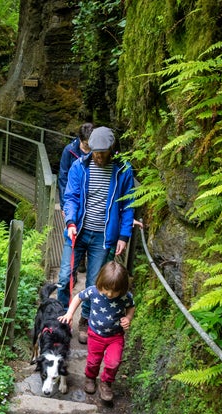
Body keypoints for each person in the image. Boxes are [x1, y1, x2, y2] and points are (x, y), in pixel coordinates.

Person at [55, 126, 135, 345]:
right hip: (78, 231)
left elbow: (128, 206)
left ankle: (85, 321)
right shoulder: (79, 166)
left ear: (111, 149)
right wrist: (70, 221)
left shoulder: (123, 170)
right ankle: (62, 317)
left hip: (104, 236)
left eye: (102, 152)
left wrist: (124, 236)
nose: (98, 156)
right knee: (64, 278)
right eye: (95, 152)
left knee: (94, 284)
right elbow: (70, 196)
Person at [58, 261, 135, 402]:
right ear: (100, 282)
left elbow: (131, 307)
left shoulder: (125, 296)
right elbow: (78, 297)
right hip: (95, 335)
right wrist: (69, 314)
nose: (110, 294)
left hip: (115, 336)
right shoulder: (93, 291)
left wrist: (128, 317)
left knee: (114, 362)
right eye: (107, 289)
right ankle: (90, 378)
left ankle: (106, 383)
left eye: (115, 291)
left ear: (123, 288)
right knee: (93, 361)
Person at [57, 123, 94, 205]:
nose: (89, 147)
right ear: (80, 139)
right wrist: (64, 204)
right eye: (86, 144)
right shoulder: (69, 150)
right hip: (73, 197)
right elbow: (63, 178)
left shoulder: (97, 151)